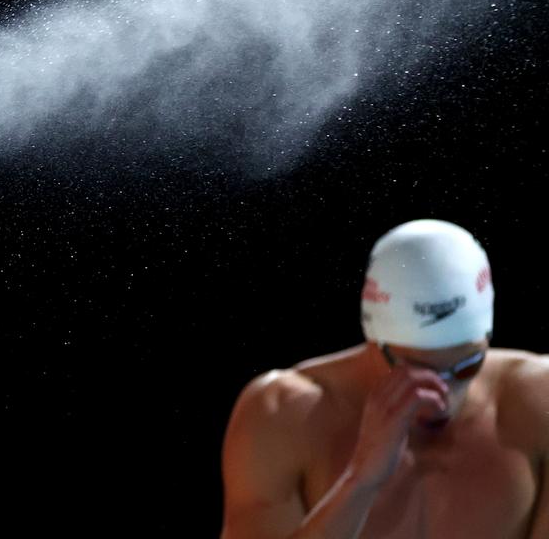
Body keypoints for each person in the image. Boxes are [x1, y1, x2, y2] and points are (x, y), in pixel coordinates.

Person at [220, 218, 547, 538]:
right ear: (373, 337)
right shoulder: (284, 414)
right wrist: (359, 481)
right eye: (417, 374)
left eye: (467, 367)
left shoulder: (540, 400)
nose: (441, 394)